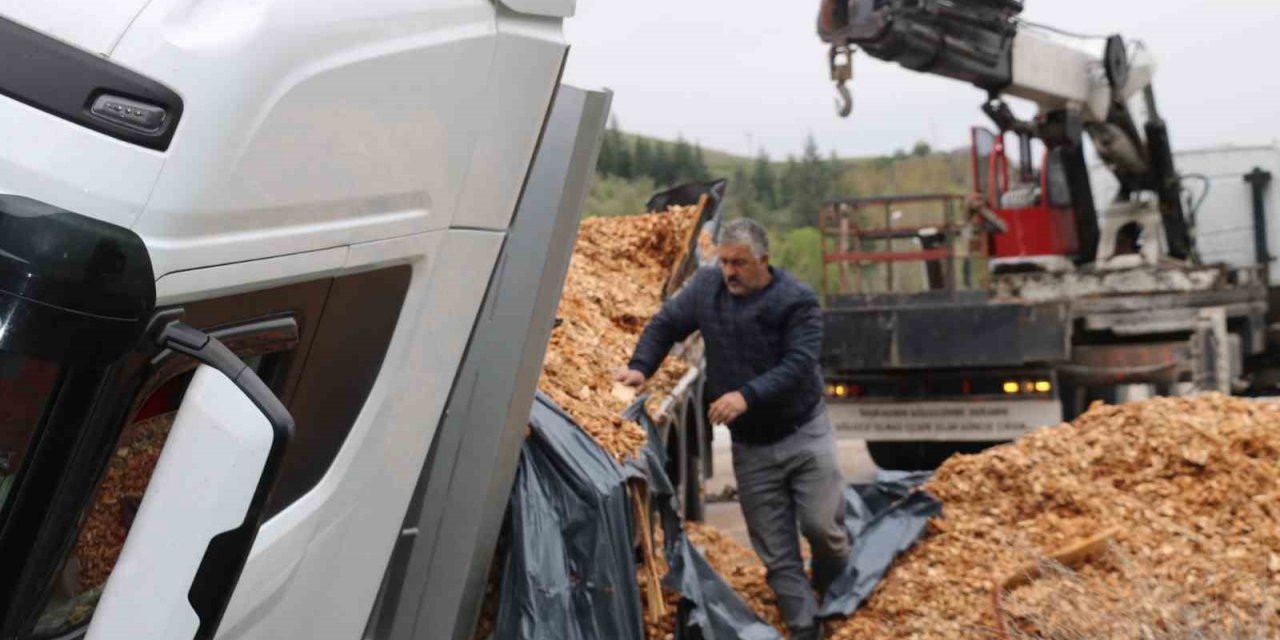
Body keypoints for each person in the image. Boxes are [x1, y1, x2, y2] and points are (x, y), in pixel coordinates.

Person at [615, 218, 849, 640]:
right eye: (724, 261)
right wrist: (640, 367)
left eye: (739, 263)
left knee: (822, 529)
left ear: (763, 261)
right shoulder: (707, 289)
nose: (729, 272)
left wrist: (746, 395)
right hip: (752, 448)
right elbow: (667, 323)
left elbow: (799, 365)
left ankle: (835, 594)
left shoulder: (797, 301)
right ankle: (805, 628)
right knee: (777, 552)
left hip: (804, 433)